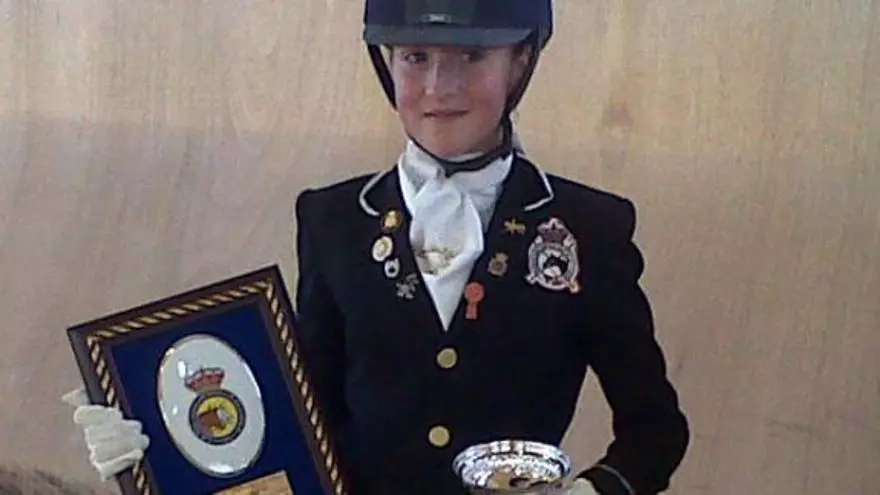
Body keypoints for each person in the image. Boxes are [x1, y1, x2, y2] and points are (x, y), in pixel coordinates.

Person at [64, 1, 690, 494]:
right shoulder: (331, 220)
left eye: (472, 56)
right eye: (416, 57)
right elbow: (306, 416)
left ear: (520, 61)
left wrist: (589, 493)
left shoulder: (587, 228)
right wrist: (162, 440)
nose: (439, 86)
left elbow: (656, 430)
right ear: (385, 61)